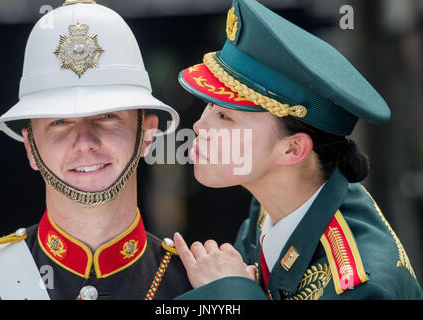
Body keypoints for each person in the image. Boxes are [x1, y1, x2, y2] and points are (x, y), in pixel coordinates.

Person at [173, 0, 423, 300]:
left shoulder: (360, 286)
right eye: (209, 105)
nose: (199, 126)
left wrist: (233, 292)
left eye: (225, 116)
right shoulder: (274, 203)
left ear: (292, 150)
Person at [0, 0, 191, 300]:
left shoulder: (197, 285)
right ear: (30, 147)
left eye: (107, 116)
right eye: (60, 122)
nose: (85, 141)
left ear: (148, 134)